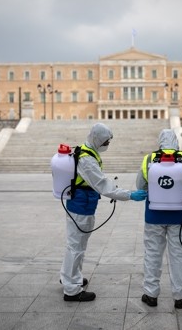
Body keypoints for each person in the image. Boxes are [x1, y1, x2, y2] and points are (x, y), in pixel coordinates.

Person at [60, 123, 147, 302]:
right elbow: (103, 186)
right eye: (106, 141)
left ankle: (70, 277)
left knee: (76, 245)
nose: (107, 144)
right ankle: (71, 289)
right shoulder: (87, 159)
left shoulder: (88, 151)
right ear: (98, 139)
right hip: (80, 206)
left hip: (83, 204)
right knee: (76, 246)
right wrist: (129, 194)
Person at [135, 129, 182, 309]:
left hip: (154, 215)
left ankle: (150, 294)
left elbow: (140, 186)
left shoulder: (149, 159)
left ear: (160, 142)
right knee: (179, 254)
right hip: (181, 216)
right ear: (176, 141)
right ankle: (181, 295)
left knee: (152, 253)